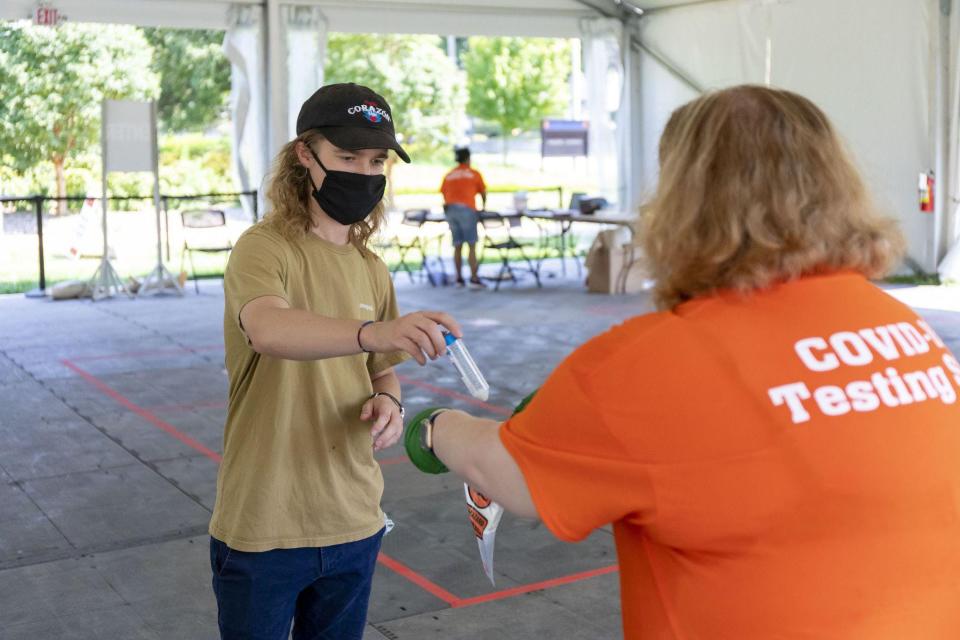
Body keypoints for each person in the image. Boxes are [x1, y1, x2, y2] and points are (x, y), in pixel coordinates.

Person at [405, 85, 960, 638]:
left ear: (681, 199)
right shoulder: (902, 328)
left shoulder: (649, 362)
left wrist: (437, 428)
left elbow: (509, 475)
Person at [208, 82, 461, 640]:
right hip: (265, 527)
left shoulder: (370, 266)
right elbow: (269, 328)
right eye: (347, 157)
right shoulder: (264, 247)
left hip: (353, 519)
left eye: (376, 161)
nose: (364, 173)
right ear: (306, 154)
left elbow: (381, 369)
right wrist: (374, 332)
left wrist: (390, 399)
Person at [440, 147, 487, 288]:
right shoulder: (473, 173)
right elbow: (483, 192)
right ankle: (474, 278)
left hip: (451, 211)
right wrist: (483, 207)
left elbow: (444, 193)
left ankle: (459, 279)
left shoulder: (449, 175)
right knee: (471, 245)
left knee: (457, 245)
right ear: (468, 158)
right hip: (467, 210)